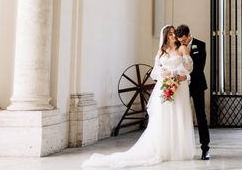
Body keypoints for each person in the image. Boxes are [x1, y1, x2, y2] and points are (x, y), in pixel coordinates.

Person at [82, 25, 195, 168]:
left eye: (174, 33)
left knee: (178, 114)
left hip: (179, 87)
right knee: (164, 117)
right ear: (165, 36)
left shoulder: (182, 49)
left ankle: (178, 150)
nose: (173, 36)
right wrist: (163, 73)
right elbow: (155, 71)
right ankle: (163, 148)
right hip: (164, 85)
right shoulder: (161, 52)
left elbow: (189, 68)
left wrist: (177, 75)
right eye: (170, 34)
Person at [175, 24, 210, 160]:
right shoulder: (177, 46)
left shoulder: (200, 45)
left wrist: (186, 77)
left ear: (189, 35)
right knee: (180, 115)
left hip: (197, 85)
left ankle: (205, 149)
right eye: (180, 40)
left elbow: (199, 67)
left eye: (184, 40)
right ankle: (180, 148)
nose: (182, 43)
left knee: (201, 116)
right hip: (182, 86)